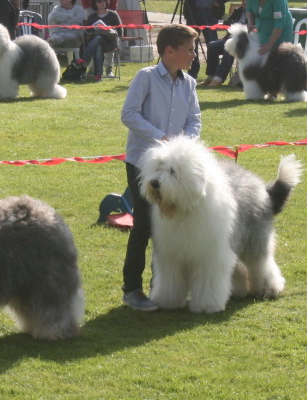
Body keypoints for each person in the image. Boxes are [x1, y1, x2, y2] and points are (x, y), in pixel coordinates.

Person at [120, 24, 202, 311]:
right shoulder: (145, 77)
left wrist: (182, 146)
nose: (193, 55)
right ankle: (132, 289)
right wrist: (161, 138)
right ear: (170, 50)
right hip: (143, 164)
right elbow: (129, 114)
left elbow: (194, 120)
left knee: (167, 227)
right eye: (189, 50)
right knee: (144, 224)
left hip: (173, 169)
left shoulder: (189, 84)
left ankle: (162, 288)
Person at [201, 0, 247, 87]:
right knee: (212, 45)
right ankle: (211, 76)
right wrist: (230, 24)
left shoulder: (255, 14)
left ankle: (218, 78)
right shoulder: (238, 11)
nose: (244, 2)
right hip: (230, 38)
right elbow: (227, 22)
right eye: (243, 1)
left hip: (244, 42)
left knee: (229, 47)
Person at [74, 0, 122, 82]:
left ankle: (83, 60)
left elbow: (120, 32)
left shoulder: (113, 15)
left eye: (104, 1)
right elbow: (87, 33)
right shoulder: (92, 17)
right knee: (98, 44)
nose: (102, 3)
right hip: (96, 44)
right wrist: (94, 29)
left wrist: (107, 29)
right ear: (95, 4)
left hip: (110, 42)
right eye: (99, 1)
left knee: (99, 38)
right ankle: (97, 76)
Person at [184, 0, 222, 78]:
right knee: (191, 43)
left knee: (212, 44)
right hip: (193, 10)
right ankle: (192, 73)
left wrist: (218, 2)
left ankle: (212, 75)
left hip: (210, 12)